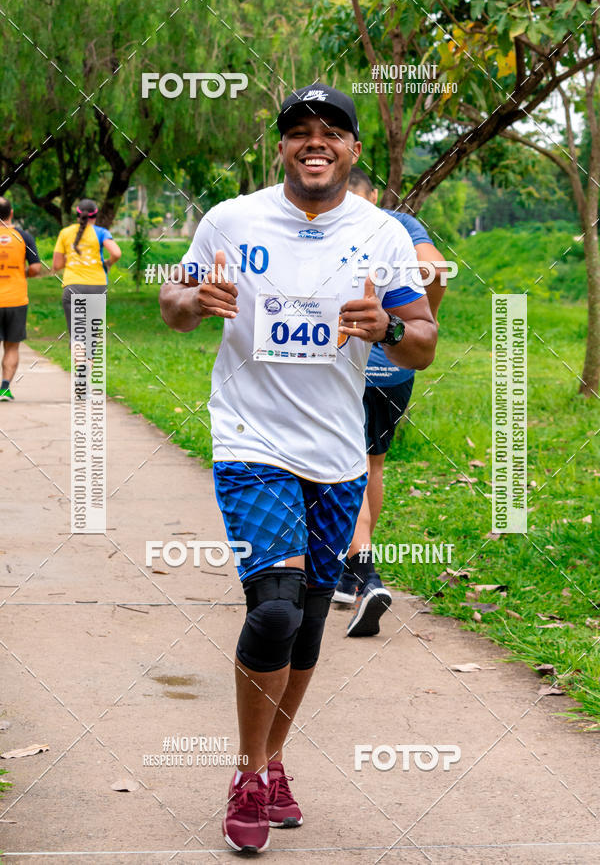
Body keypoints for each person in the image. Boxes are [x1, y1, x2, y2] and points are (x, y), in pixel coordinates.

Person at [159, 83, 437, 854]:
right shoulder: (232, 220)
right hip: (251, 442)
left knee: (310, 620)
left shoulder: (381, 233)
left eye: (331, 131)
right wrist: (194, 299)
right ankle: (248, 774)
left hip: (337, 454)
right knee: (275, 611)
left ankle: (274, 761)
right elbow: (173, 303)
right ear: (282, 147)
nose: (315, 142)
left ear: (353, 150)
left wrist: (388, 329)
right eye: (299, 131)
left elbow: (423, 339)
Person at [335, 166, 449, 638]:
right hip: (395, 364)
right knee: (372, 464)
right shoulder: (401, 223)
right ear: (376, 192)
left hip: (348, 361)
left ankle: (362, 573)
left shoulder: (336, 223)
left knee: (345, 465)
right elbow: (436, 269)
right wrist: (419, 322)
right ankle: (351, 572)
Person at [52, 199, 121, 335]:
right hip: (97, 287)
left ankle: (78, 348)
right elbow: (116, 253)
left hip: (73, 286)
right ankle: (89, 350)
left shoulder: (65, 233)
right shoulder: (101, 232)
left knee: (77, 336)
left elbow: (57, 265)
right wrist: (108, 263)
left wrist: (73, 257)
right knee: (91, 337)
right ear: (95, 216)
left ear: (77, 215)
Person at [0, 197, 42, 401]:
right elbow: (35, 268)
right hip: (16, 300)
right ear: (11, 213)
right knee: (12, 346)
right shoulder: (24, 237)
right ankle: (4, 388)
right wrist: (20, 273)